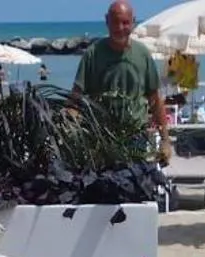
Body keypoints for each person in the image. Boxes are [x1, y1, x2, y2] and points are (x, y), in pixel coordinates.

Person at [72, 1, 170, 162]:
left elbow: (155, 99)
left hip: (136, 138)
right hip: (101, 139)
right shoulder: (92, 54)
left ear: (133, 22)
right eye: (115, 22)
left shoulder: (143, 54)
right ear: (106, 21)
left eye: (125, 22)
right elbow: (76, 98)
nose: (120, 28)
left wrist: (165, 141)